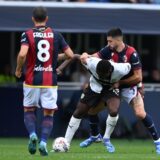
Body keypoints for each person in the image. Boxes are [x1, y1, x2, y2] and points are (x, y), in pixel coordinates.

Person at [79, 27, 160, 155]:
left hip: (128, 86)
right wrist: (85, 55)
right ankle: (95, 136)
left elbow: (138, 77)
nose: (108, 44)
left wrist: (120, 83)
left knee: (140, 113)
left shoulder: (131, 53)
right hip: (112, 88)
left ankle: (157, 142)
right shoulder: (108, 50)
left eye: (110, 41)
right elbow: (94, 56)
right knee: (92, 111)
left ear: (118, 40)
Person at [15, 7, 74, 156]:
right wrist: (54, 59)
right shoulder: (56, 35)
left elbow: (22, 54)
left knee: (29, 110)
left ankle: (32, 134)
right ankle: (42, 142)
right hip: (50, 81)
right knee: (48, 114)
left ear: (33, 19)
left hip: (31, 80)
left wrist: (18, 69)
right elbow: (70, 55)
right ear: (46, 18)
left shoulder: (27, 34)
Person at [64, 54, 131, 151]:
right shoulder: (91, 63)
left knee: (113, 111)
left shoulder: (121, 69)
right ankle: (66, 143)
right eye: (98, 73)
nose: (101, 76)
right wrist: (61, 67)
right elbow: (77, 56)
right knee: (79, 112)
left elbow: (134, 70)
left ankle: (106, 138)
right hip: (94, 86)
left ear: (110, 71)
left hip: (110, 88)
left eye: (103, 75)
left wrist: (124, 83)